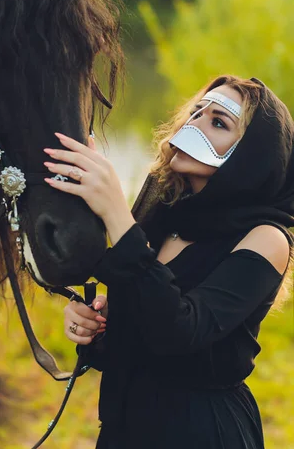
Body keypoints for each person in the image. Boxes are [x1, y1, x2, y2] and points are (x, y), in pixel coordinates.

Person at [42, 74, 293, 449]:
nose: (196, 123)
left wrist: (116, 214)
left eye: (219, 122)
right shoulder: (165, 213)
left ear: (251, 159)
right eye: (197, 111)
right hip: (126, 425)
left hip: (201, 432)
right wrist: (98, 325)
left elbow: (181, 330)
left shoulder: (267, 238)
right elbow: (148, 321)